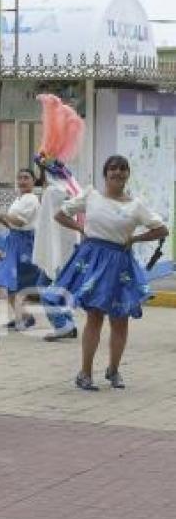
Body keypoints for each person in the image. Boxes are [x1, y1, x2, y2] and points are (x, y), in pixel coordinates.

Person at [50, 156, 168, 390]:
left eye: (123, 169)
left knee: (120, 320)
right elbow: (61, 214)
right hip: (93, 260)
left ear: (128, 174)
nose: (118, 173)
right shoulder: (91, 195)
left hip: (120, 265)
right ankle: (85, 373)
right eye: (113, 169)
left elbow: (161, 229)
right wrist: (80, 228)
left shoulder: (136, 205)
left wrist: (135, 238)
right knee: (94, 317)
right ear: (106, 174)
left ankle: (113, 370)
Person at [32, 94, 84, 342]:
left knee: (45, 287)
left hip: (58, 249)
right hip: (70, 247)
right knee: (59, 286)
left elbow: (48, 226)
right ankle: (67, 323)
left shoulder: (54, 191)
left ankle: (62, 324)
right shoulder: (71, 186)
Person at [0, 168, 41, 330]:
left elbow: (19, 222)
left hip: (24, 243)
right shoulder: (19, 199)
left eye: (26, 178)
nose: (22, 181)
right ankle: (23, 316)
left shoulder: (31, 199)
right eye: (20, 178)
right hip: (13, 240)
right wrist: (2, 219)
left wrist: (1, 215)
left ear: (34, 181)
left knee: (10, 281)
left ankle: (24, 316)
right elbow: (12, 224)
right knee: (10, 282)